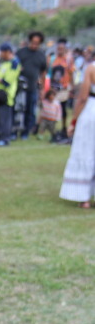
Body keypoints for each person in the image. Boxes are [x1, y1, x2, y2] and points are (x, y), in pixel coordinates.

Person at [59, 59, 95, 208]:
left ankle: (84, 198)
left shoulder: (91, 68)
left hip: (91, 112)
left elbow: (83, 97)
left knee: (85, 151)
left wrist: (73, 121)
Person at [16, 31, 47, 139]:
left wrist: (42, 88)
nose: (34, 45)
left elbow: (43, 73)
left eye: (37, 43)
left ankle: (25, 132)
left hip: (32, 87)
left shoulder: (41, 55)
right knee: (18, 109)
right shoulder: (21, 52)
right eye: (33, 42)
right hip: (19, 87)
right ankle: (14, 131)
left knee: (30, 110)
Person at [49, 39, 74, 140]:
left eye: (62, 48)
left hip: (64, 88)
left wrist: (71, 86)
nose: (60, 50)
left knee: (63, 109)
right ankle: (53, 129)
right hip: (54, 88)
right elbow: (49, 73)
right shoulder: (52, 59)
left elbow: (71, 72)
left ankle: (64, 127)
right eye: (58, 48)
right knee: (53, 109)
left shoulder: (68, 59)